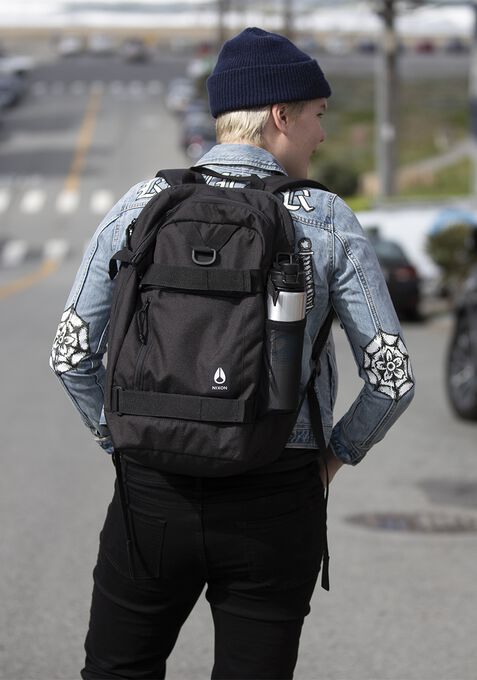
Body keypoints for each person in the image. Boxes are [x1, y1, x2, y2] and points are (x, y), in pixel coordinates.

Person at [50, 27, 415, 680]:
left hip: (150, 495)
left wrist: (120, 441)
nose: (321, 134)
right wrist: (332, 458)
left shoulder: (144, 203)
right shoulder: (324, 217)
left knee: (118, 670)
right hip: (276, 496)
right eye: (317, 115)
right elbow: (392, 377)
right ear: (280, 116)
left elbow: (70, 353)